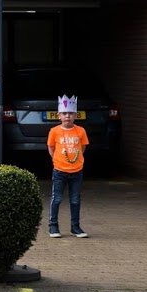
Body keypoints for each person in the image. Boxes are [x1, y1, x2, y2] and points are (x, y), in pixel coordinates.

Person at [47, 94, 90, 239]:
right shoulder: (54, 131)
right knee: (57, 198)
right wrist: (57, 160)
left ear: (75, 115)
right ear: (58, 115)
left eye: (71, 113)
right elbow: (51, 147)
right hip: (59, 171)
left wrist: (76, 160)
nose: (67, 116)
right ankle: (53, 226)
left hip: (76, 171)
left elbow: (82, 147)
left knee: (75, 199)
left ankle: (75, 227)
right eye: (64, 113)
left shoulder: (80, 131)